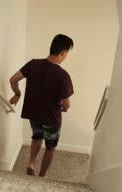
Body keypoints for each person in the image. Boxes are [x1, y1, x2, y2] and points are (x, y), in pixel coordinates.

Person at [9, 34, 74, 177]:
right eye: (67, 53)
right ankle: (42, 176)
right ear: (63, 52)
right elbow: (66, 104)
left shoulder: (33, 64)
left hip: (34, 114)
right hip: (51, 118)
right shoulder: (63, 76)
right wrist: (65, 108)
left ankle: (31, 163)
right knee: (50, 147)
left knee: (36, 137)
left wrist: (17, 94)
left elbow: (13, 80)